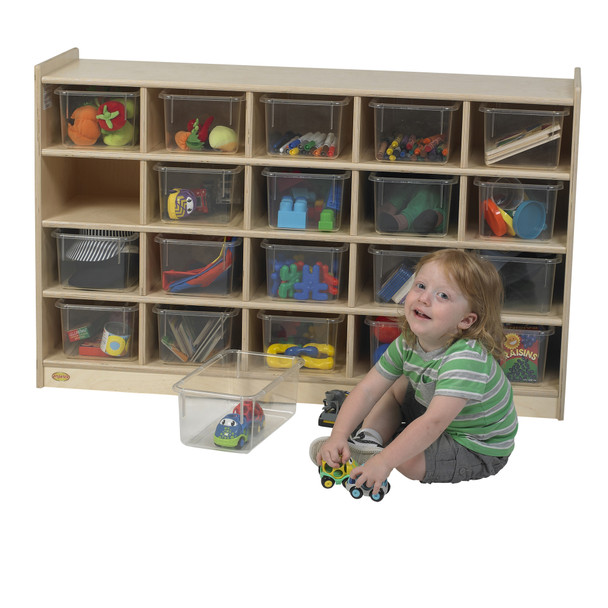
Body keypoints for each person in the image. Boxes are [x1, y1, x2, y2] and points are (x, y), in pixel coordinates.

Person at [311, 248, 517, 493]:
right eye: (420, 285)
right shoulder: (409, 340)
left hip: (475, 446)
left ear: (465, 321)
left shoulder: (466, 359)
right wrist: (339, 435)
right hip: (437, 413)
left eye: (442, 295)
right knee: (396, 386)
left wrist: (386, 461)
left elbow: (433, 422)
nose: (424, 299)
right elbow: (367, 389)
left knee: (407, 462)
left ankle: (384, 449)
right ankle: (369, 439)